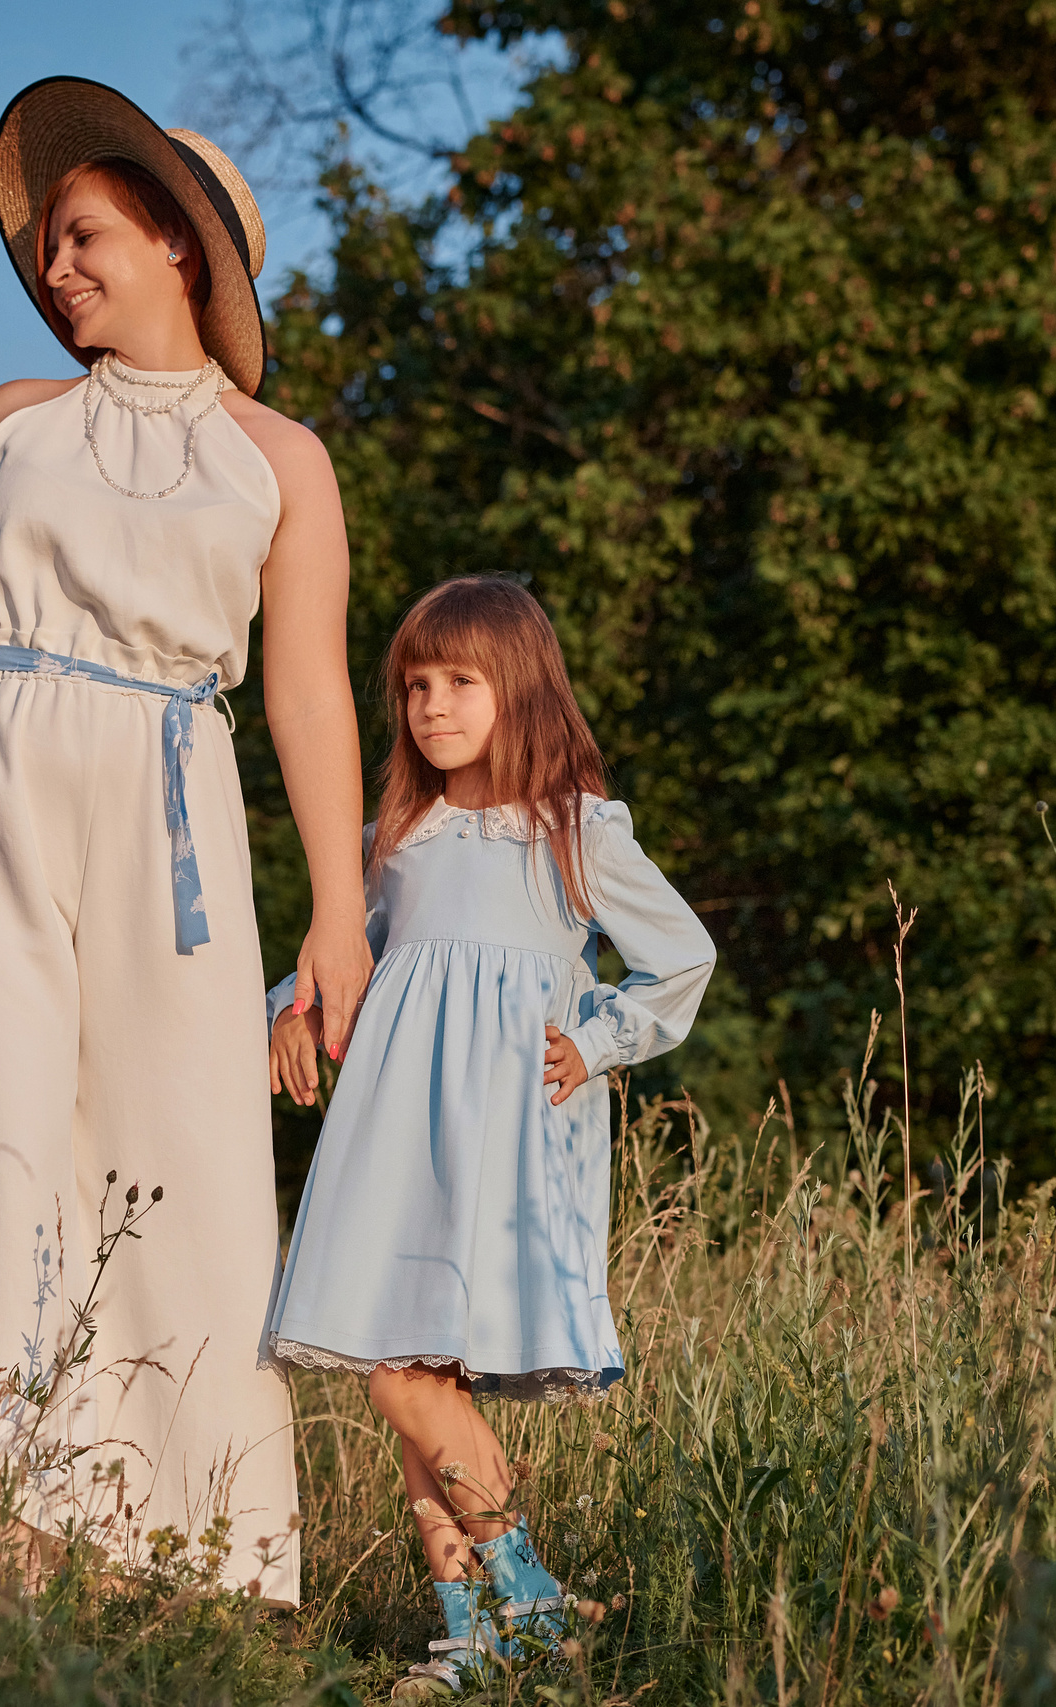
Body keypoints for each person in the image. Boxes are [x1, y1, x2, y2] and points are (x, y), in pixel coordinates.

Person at [0, 78, 372, 1603]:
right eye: (51, 244)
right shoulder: (13, 421)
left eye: (85, 236)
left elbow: (309, 692)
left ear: (183, 245)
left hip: (172, 798)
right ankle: (10, 1516)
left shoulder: (283, 458)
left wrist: (337, 914)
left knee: (181, 1151)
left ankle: (181, 1543)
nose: (55, 268)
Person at [264, 577, 716, 1694]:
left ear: (520, 689)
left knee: (405, 1377)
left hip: (511, 1122)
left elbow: (682, 957)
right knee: (406, 1373)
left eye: (459, 681)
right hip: (397, 1124)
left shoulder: (575, 827)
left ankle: (528, 1600)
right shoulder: (394, 835)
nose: (431, 706)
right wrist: (286, 1007)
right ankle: (476, 1629)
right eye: (414, 685)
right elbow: (341, 960)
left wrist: (599, 1040)